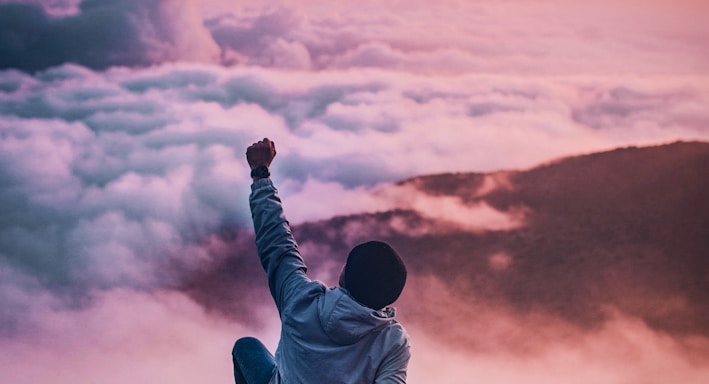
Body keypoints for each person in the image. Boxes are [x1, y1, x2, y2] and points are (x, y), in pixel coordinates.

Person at [232, 138, 410, 384]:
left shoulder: (300, 299)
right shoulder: (392, 341)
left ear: (344, 275)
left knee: (246, 348)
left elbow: (277, 245)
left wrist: (260, 174)